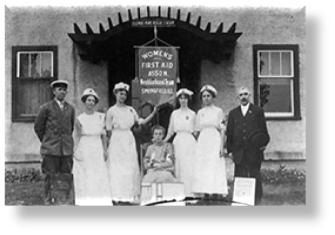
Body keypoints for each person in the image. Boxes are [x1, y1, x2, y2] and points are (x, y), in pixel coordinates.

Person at [105, 82, 158, 205]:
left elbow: (141, 122)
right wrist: (108, 146)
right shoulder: (111, 111)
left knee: (129, 168)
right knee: (116, 168)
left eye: (124, 94)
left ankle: (127, 196)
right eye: (120, 93)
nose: (122, 96)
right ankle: (116, 196)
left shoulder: (130, 110)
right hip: (116, 140)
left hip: (128, 139)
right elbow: (108, 131)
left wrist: (153, 113)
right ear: (115, 94)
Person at [34, 80, 75, 205]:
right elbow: (38, 127)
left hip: (66, 148)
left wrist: (65, 141)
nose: (62, 91)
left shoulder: (71, 108)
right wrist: (48, 140)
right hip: (51, 148)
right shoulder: (46, 107)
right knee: (49, 176)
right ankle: (48, 199)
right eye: (59, 89)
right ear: (53, 92)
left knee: (65, 175)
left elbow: (70, 127)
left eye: (64, 89)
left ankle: (63, 200)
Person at [226, 86, 270, 205]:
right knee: (240, 176)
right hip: (239, 151)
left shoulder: (257, 111)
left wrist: (263, 144)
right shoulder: (233, 113)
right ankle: (241, 200)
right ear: (238, 97)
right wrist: (229, 150)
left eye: (245, 94)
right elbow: (229, 133)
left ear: (249, 96)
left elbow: (263, 130)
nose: (243, 97)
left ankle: (256, 201)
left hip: (254, 151)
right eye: (241, 95)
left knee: (255, 175)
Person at [72, 88, 111, 206]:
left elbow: (104, 135)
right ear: (84, 102)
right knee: (86, 174)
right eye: (88, 100)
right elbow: (76, 136)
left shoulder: (100, 117)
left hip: (97, 146)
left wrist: (105, 150)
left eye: (93, 101)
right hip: (85, 146)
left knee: (98, 173)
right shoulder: (80, 118)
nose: (91, 103)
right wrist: (75, 151)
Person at [192, 85, 228, 199]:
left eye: (208, 96)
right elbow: (196, 130)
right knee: (204, 165)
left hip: (215, 139)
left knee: (215, 164)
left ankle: (216, 192)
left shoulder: (219, 111)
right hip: (203, 140)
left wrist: (222, 146)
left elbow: (222, 129)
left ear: (213, 97)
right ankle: (205, 192)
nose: (206, 98)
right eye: (204, 96)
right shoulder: (200, 112)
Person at [163, 88, 196, 197]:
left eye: (185, 98)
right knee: (178, 165)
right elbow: (170, 131)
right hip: (178, 141)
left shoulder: (192, 114)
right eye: (181, 98)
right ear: (178, 100)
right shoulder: (174, 113)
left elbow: (196, 131)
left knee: (189, 165)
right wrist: (163, 142)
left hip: (190, 142)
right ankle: (179, 192)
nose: (183, 100)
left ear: (188, 100)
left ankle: (190, 192)